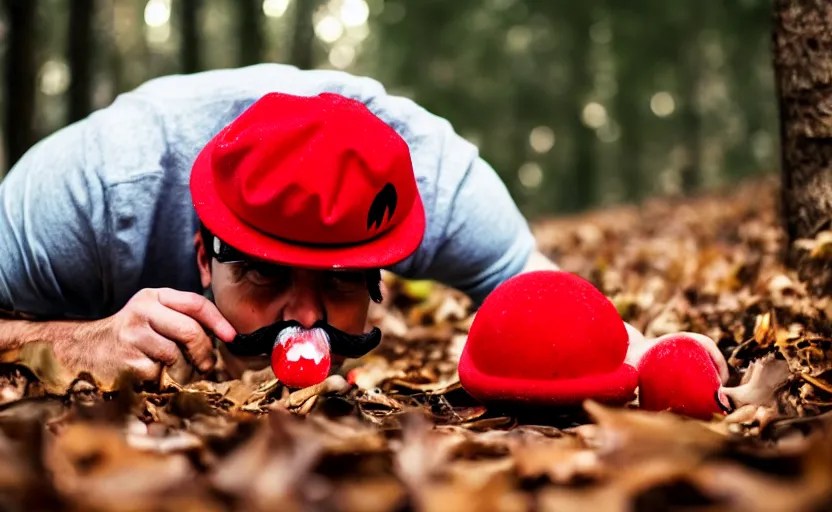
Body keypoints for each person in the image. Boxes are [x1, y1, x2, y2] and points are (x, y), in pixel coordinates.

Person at [0, 64, 715, 386]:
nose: (305, 320)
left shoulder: (435, 184)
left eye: (342, 281)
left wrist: (656, 359)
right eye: (262, 273)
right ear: (201, 250)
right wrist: (72, 340)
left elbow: (545, 299)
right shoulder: (91, 192)